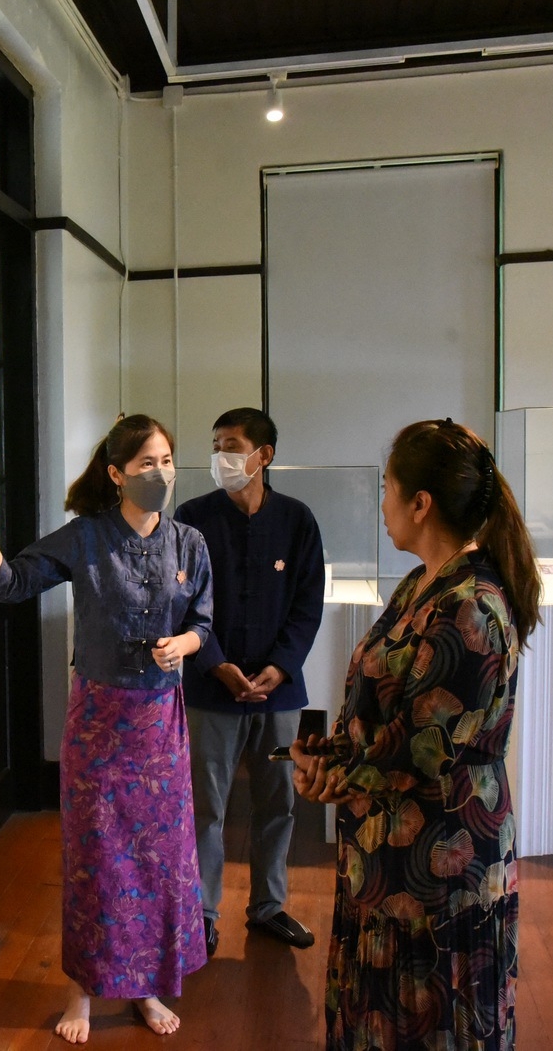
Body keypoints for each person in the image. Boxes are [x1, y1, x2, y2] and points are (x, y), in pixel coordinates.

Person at [0, 414, 212, 1044]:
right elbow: (8, 584)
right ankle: (80, 991)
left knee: (159, 862)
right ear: (116, 474)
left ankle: (144, 986)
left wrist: (185, 645)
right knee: (97, 860)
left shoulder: (190, 543)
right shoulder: (87, 537)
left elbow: (204, 622)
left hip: (161, 727)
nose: (161, 473)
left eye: (167, 461)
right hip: (99, 729)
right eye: (147, 463)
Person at [291, 418, 539, 1050]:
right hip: (390, 860)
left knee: (432, 1025)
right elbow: (383, 705)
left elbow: (424, 748)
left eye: (388, 490)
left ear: (421, 503)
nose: (383, 505)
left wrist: (334, 778)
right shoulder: (423, 582)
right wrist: (326, 756)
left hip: (439, 870)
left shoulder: (471, 606)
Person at [175, 408, 324, 956]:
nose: (221, 456)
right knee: (206, 805)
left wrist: (280, 667)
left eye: (232, 445)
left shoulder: (297, 520)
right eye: (216, 445)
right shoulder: (191, 518)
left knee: (278, 800)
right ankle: (203, 913)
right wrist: (216, 663)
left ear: (264, 455)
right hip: (211, 688)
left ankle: (268, 907)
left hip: (278, 693)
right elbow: (180, 599)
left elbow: (308, 604)